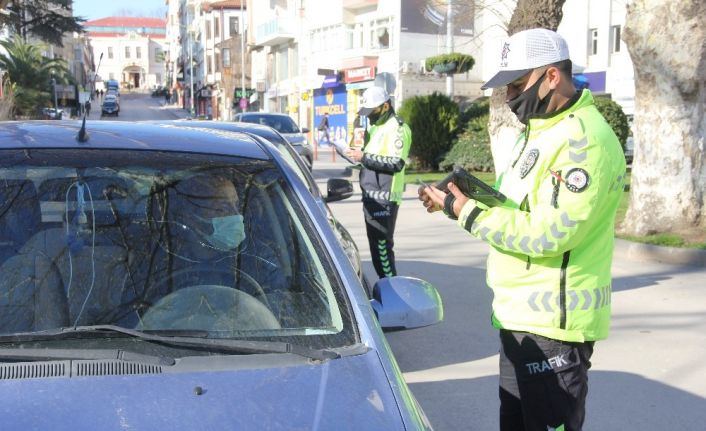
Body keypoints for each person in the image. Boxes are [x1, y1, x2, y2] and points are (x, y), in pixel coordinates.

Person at [418, 28, 626, 431]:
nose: (510, 96)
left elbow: (549, 234)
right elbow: (513, 209)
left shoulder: (586, 143)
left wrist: (467, 213)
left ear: (552, 76)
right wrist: (456, 201)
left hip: (555, 326)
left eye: (516, 84)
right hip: (518, 317)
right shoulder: (538, 133)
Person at [345, 86, 411, 280]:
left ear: (385, 106)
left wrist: (364, 157)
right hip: (371, 196)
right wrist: (356, 147)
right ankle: (389, 290)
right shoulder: (376, 128)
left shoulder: (398, 129)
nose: (370, 116)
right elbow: (368, 158)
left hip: (385, 198)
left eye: (372, 111)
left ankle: (394, 293)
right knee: (376, 252)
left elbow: (395, 163)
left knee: (382, 253)